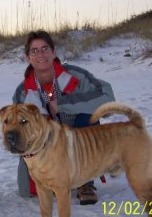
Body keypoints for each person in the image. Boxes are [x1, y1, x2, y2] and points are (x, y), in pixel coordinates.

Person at [13, 30, 115, 205]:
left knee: (87, 116)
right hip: (47, 144)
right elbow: (20, 131)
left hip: (80, 137)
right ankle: (56, 177)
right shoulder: (22, 92)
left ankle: (86, 183)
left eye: (45, 49)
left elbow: (107, 98)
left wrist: (62, 104)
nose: (41, 54)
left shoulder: (76, 75)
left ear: (54, 52)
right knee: (25, 189)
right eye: (34, 51)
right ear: (27, 57)